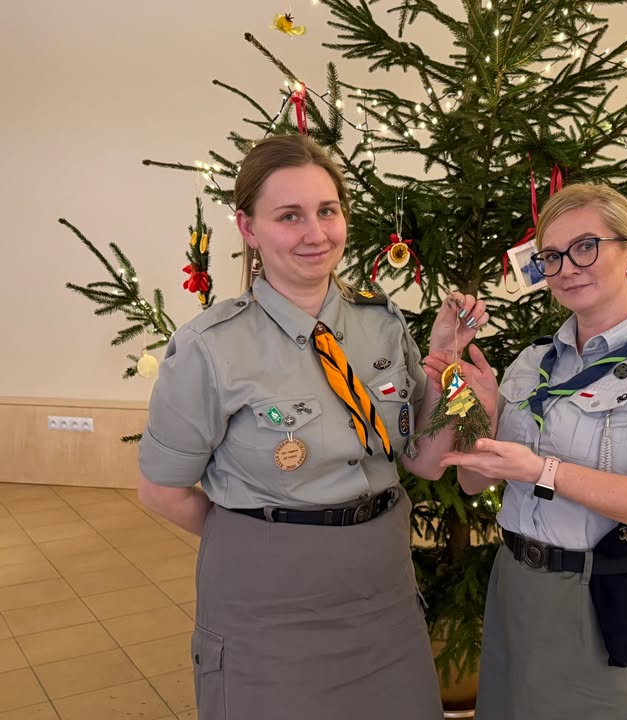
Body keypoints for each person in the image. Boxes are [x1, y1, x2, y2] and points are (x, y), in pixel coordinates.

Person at [137, 134, 489, 720]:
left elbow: (424, 461)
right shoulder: (210, 347)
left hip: (383, 587)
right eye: (289, 216)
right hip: (267, 603)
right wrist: (264, 540)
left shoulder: (381, 323)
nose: (316, 233)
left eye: (327, 211)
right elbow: (160, 491)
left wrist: (446, 358)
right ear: (248, 228)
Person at [430, 183, 627, 720]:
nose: (567, 268)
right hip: (517, 585)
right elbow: (472, 481)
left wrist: (543, 470)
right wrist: (482, 414)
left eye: (586, 247)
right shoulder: (532, 362)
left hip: (603, 593)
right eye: (553, 256)